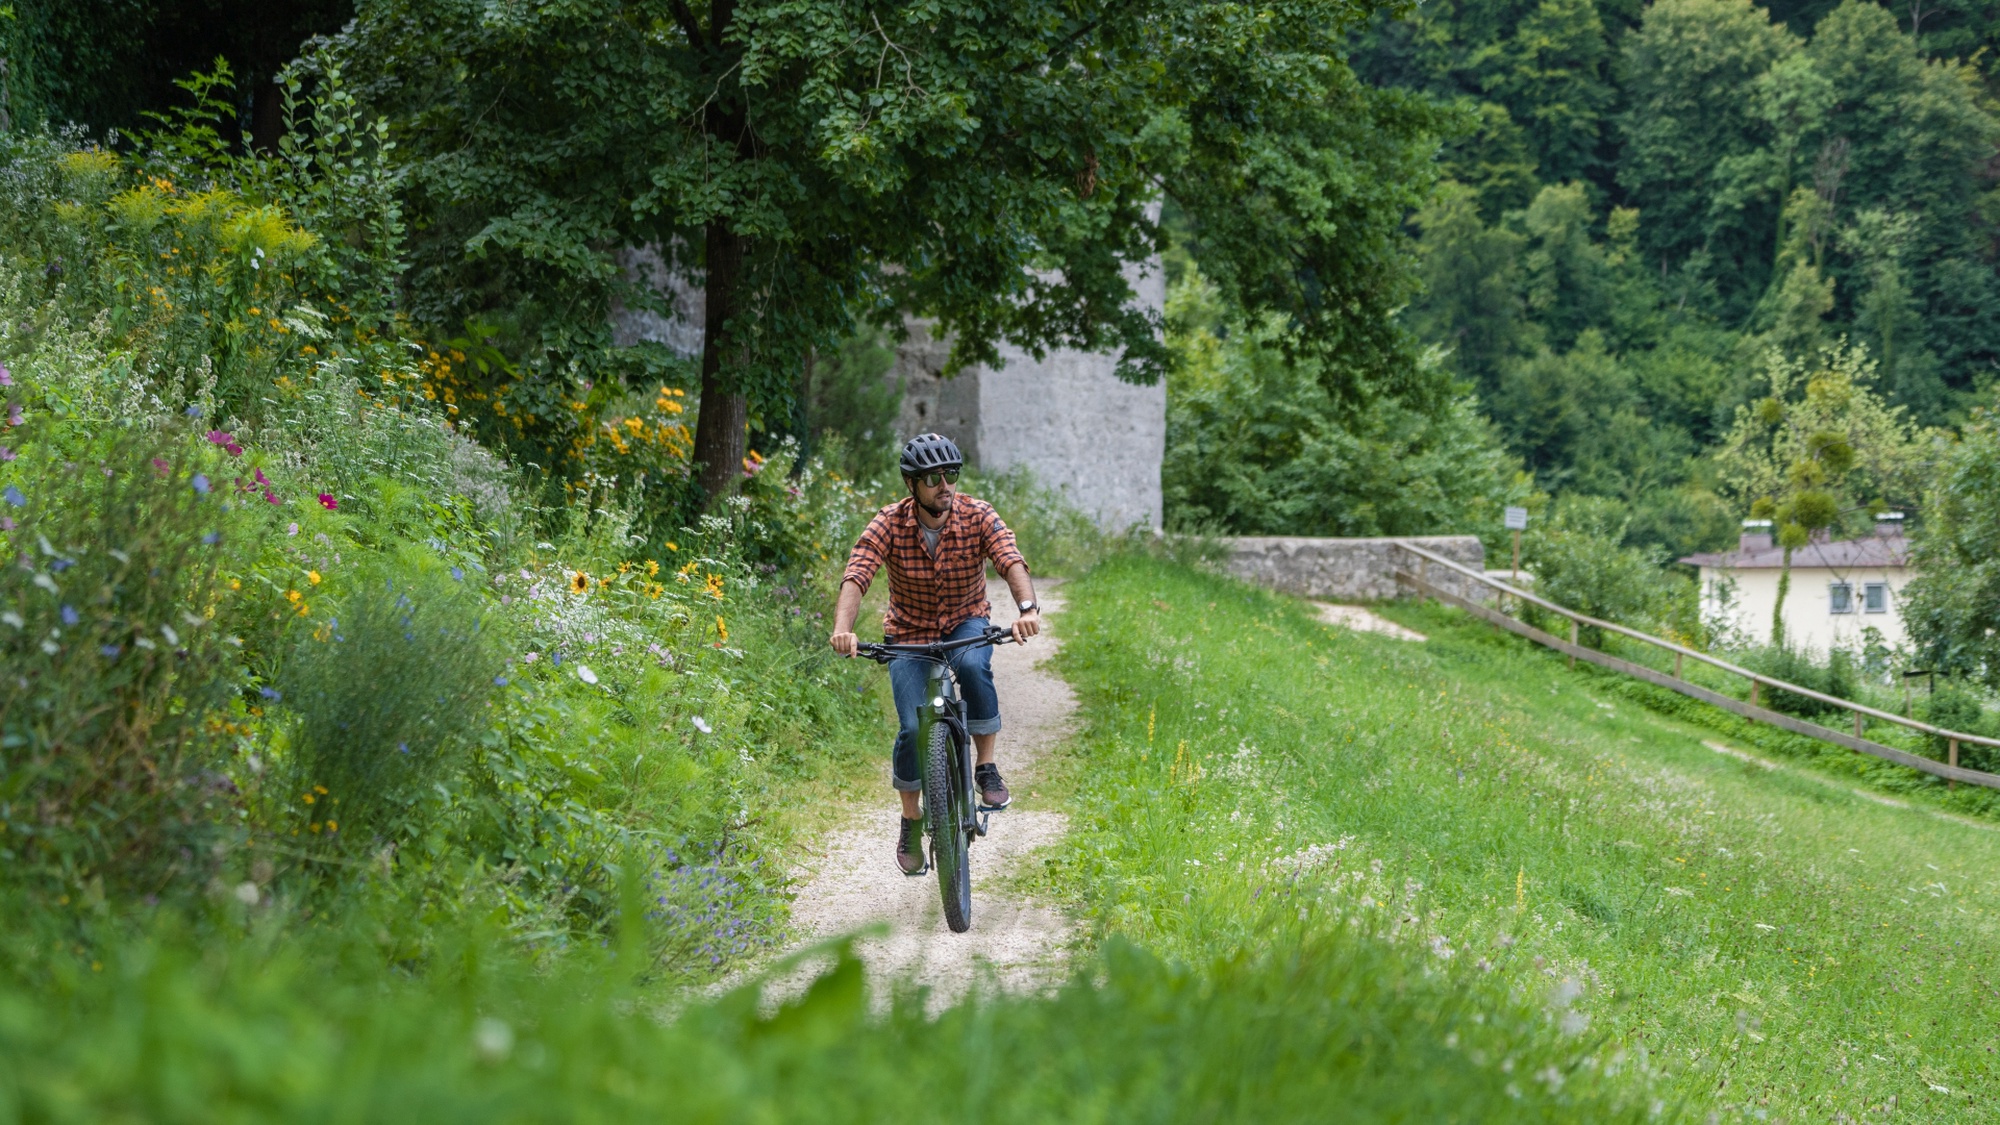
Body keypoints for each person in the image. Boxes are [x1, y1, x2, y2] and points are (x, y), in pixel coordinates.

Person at [829, 433, 1042, 875]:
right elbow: (858, 573)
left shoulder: (978, 515)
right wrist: (842, 630)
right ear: (912, 485)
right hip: (909, 632)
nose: (945, 485)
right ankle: (911, 820)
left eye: (951, 475)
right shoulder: (889, 523)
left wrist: (1027, 609)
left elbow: (1009, 559)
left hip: (966, 620)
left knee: (973, 666)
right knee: (912, 728)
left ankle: (986, 767)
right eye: (933, 478)